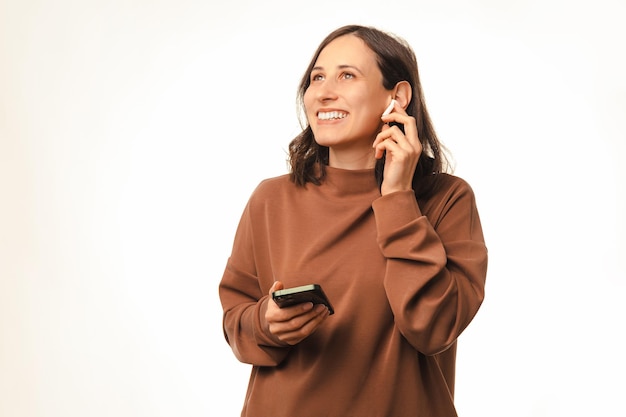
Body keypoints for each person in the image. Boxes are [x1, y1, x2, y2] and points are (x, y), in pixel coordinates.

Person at [218, 24, 488, 417]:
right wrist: (266, 324)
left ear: (397, 96)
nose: (324, 91)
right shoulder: (270, 199)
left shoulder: (448, 199)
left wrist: (397, 198)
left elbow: (433, 327)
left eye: (347, 75)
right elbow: (234, 319)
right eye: (317, 78)